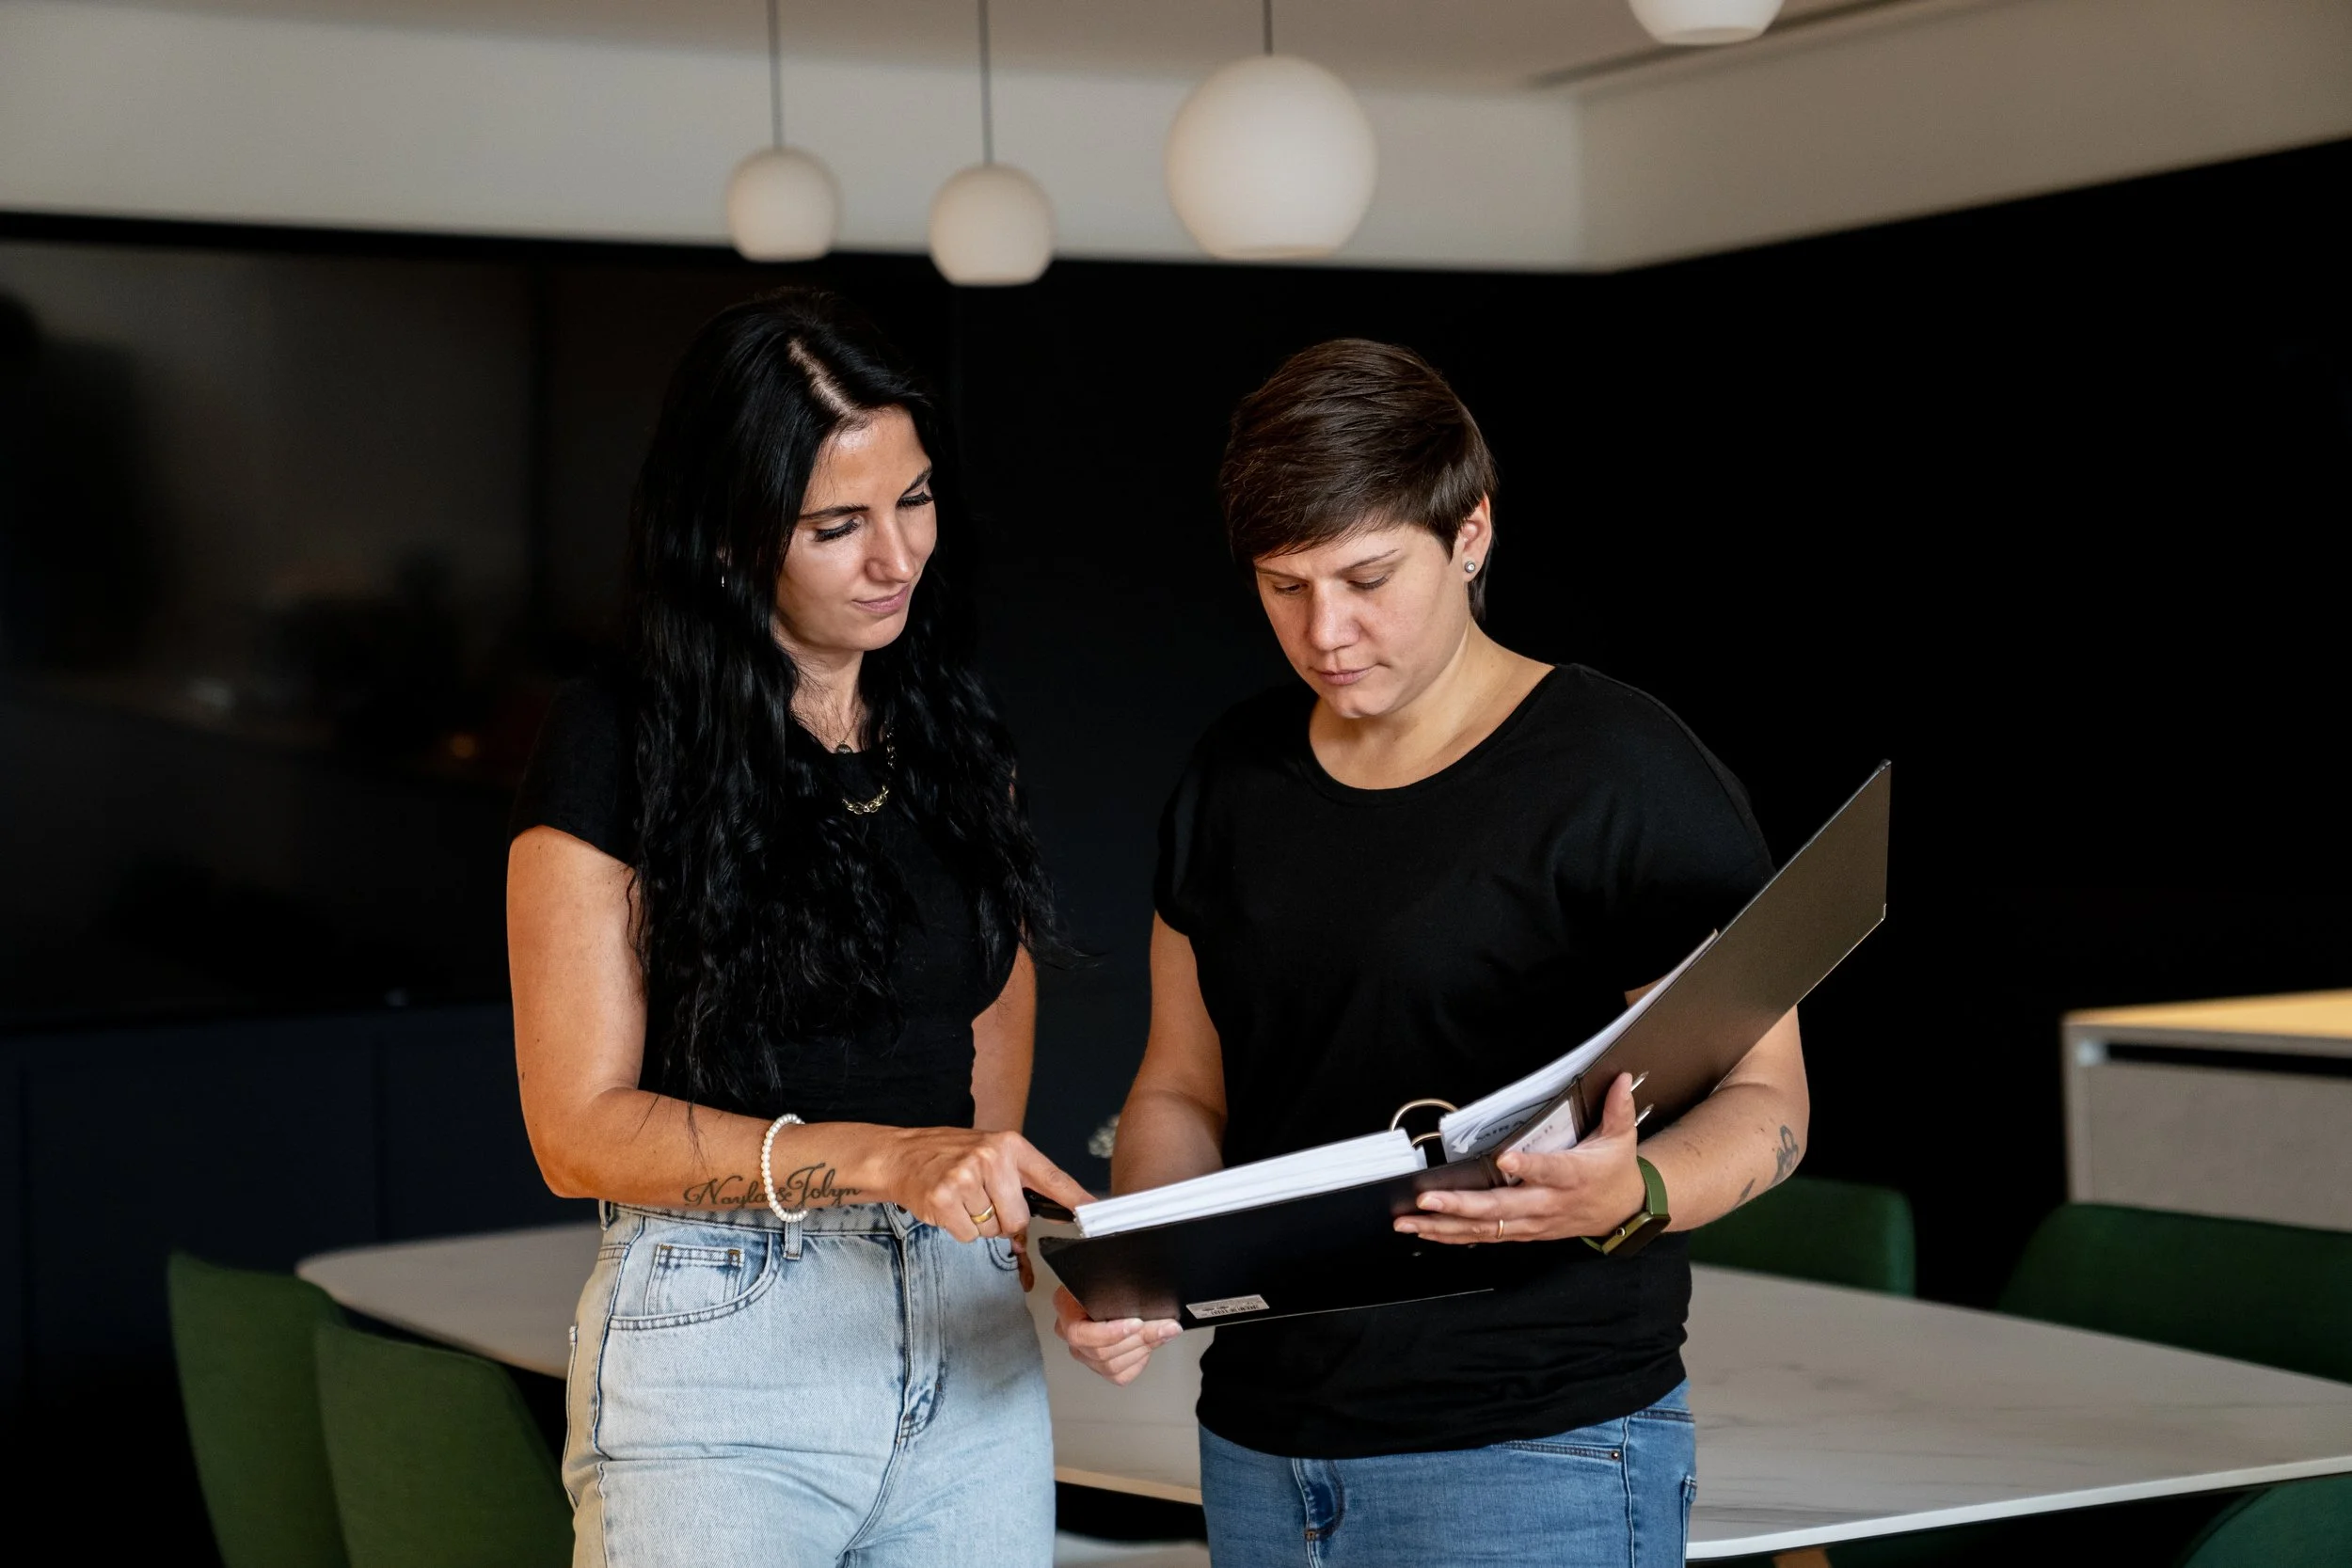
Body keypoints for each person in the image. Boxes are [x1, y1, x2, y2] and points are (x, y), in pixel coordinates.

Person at [1055, 339, 1810, 1567]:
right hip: (1260, 1445)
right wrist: (1148, 1255)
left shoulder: (1622, 772)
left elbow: (1772, 1098)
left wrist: (1640, 1191)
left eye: (1366, 576)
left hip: (1534, 1446)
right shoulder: (1232, 779)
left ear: (1470, 533)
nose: (1326, 630)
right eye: (1283, 586)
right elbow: (1181, 1085)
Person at [507, 288, 1090, 1568]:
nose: (899, 556)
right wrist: (886, 1159)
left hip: (968, 1343)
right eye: (839, 525)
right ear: (727, 538)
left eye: (915, 498)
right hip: (724, 1347)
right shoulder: (615, 739)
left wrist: (1020, 1229)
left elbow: (985, 1022)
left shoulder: (951, 730)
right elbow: (575, 1128)